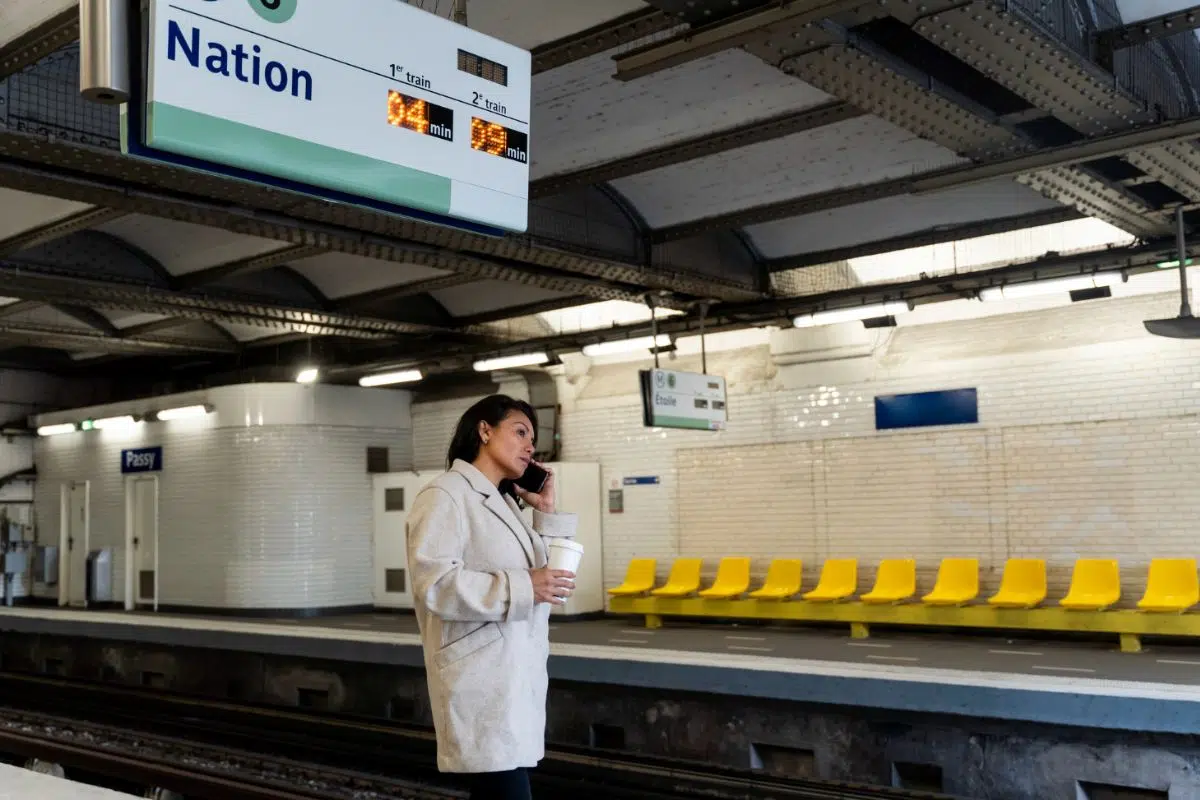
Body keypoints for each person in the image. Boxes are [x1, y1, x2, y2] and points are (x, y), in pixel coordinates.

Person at [406, 394, 578, 800]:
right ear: (485, 431)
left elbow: (551, 581)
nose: (530, 446)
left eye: (532, 439)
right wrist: (523, 585)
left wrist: (547, 512)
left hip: (511, 676)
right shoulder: (446, 495)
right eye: (520, 432)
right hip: (481, 679)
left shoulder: (503, 503)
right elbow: (434, 583)